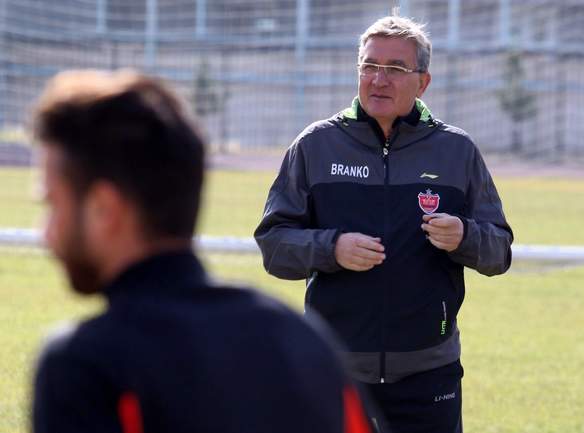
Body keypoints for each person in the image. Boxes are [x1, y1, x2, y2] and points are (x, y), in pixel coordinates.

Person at [31, 69, 373, 433]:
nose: (45, 234)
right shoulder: (302, 341)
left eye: (53, 204)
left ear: (104, 209)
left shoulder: (88, 366)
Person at [255, 14, 513, 433]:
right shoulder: (315, 145)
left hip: (429, 373)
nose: (379, 79)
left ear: (423, 82)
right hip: (334, 369)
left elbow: (498, 251)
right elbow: (274, 245)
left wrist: (464, 236)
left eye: (395, 68)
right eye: (370, 65)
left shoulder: (456, 151)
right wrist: (332, 248)